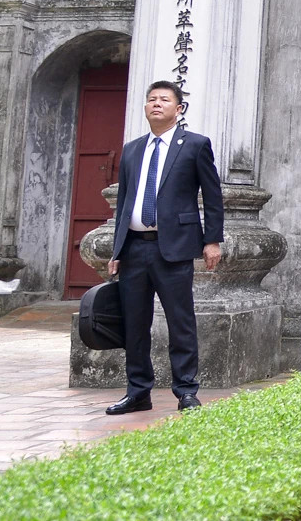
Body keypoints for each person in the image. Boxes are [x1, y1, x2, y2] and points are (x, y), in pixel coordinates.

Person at [105, 79, 222, 414]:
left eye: (164, 99)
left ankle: (186, 390)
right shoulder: (132, 149)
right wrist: (116, 250)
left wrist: (212, 240)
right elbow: (125, 202)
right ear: (145, 108)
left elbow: (212, 197)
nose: (156, 104)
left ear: (178, 108)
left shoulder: (195, 145)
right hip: (134, 250)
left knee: (180, 321)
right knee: (135, 323)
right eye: (151, 99)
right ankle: (138, 391)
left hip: (174, 248)